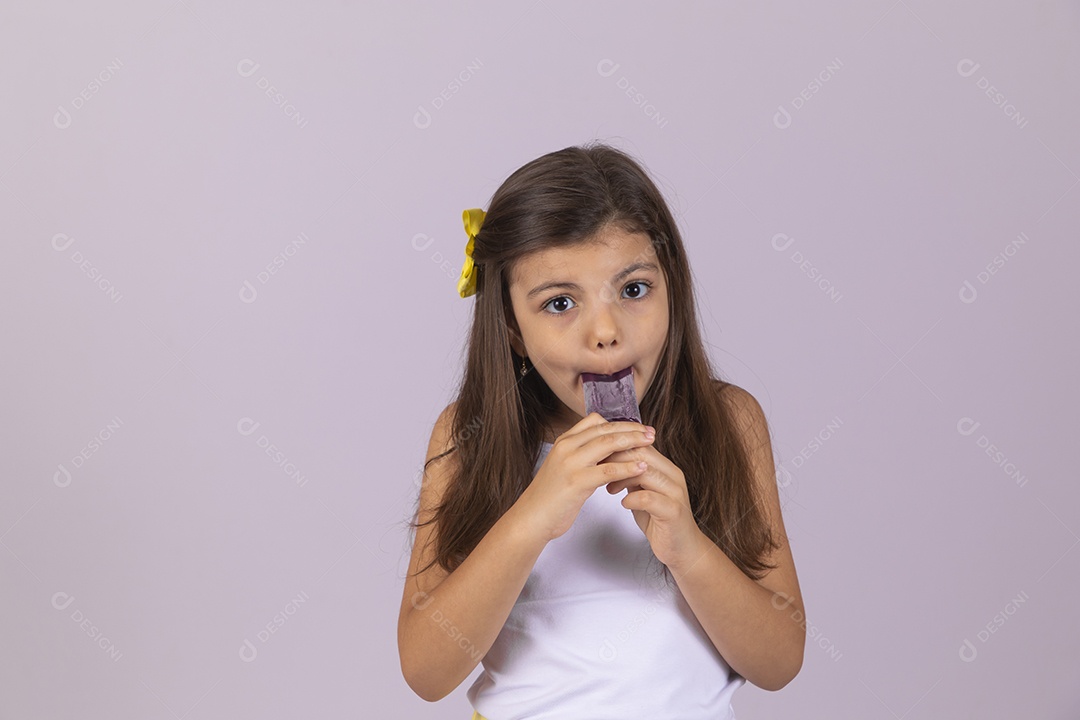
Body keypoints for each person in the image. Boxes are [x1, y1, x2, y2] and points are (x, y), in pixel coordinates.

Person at [397, 142, 805, 719]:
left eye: (633, 290)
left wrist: (687, 547)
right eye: (561, 302)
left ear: (674, 289)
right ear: (512, 330)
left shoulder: (729, 423)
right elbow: (426, 671)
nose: (606, 331)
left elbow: (780, 661)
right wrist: (533, 515)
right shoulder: (470, 436)